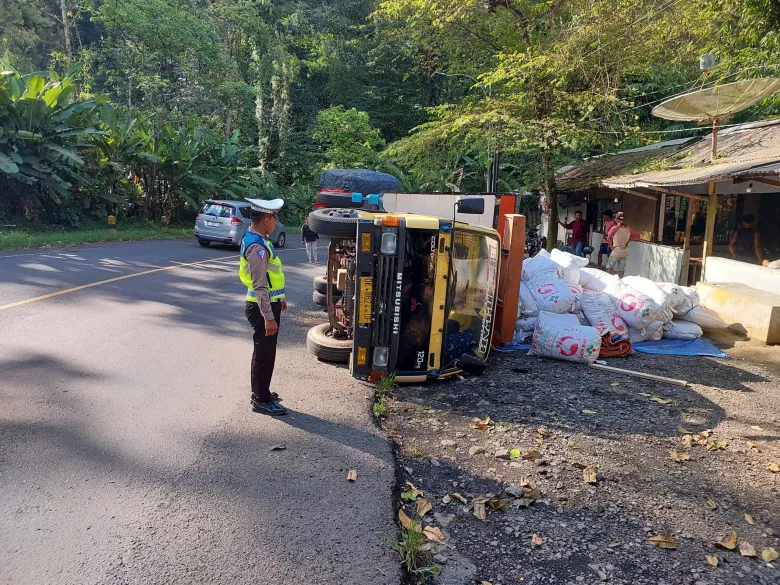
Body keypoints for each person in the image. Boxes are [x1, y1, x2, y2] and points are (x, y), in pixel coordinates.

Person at [239, 198, 288, 416]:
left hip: (269, 304)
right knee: (264, 353)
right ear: (266, 220)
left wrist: (280, 297)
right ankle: (260, 399)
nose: (276, 222)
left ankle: (263, 392)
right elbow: (260, 285)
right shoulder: (257, 246)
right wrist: (268, 315)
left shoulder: (258, 239)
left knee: (266, 352)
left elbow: (271, 277)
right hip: (261, 308)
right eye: (275, 218)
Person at [606, 211, 639, 278]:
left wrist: (611, 247)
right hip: (625, 250)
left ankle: (609, 279)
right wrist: (629, 241)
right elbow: (638, 236)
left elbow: (608, 238)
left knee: (610, 266)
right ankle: (620, 280)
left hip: (616, 249)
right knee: (621, 268)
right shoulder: (629, 228)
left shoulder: (614, 228)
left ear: (617, 219)